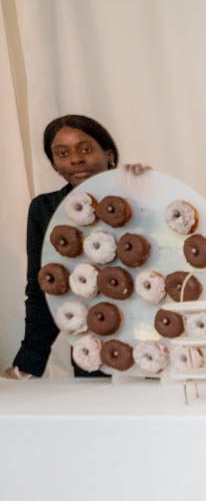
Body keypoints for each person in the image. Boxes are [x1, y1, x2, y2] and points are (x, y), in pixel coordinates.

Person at [6, 115, 123, 380]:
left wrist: (148, 184)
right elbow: (42, 290)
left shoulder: (137, 199)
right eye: (62, 153)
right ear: (54, 165)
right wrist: (28, 363)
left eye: (86, 149)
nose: (75, 159)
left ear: (109, 154)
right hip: (90, 352)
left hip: (154, 342)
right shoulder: (46, 209)